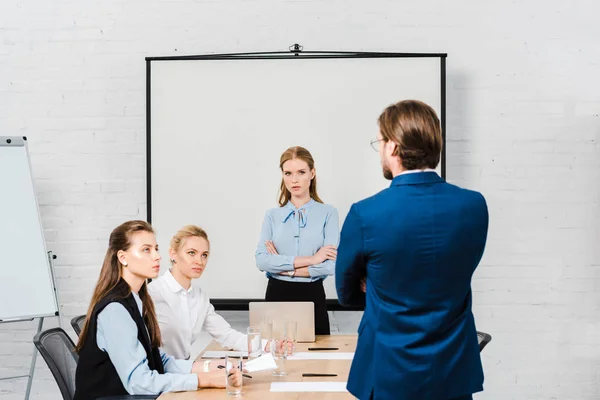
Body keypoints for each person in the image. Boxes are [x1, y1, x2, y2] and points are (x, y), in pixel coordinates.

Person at [335, 100, 489, 400]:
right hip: (453, 372)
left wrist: (376, 284)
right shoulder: (474, 206)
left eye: (378, 142)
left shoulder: (366, 214)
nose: (379, 150)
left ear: (393, 147)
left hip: (388, 372)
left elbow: (347, 293)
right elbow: (458, 270)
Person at [74, 220, 241, 400]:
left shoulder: (136, 299)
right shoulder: (116, 309)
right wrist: (201, 380)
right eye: (146, 250)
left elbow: (158, 360)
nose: (157, 256)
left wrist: (207, 368)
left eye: (156, 249)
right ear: (123, 257)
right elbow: (139, 382)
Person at [148, 225, 269, 360]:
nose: (200, 261)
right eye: (191, 253)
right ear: (173, 254)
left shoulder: (199, 297)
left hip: (184, 372)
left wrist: (268, 345)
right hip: (159, 374)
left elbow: (226, 334)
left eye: (204, 255)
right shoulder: (152, 294)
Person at [255, 146, 339, 335]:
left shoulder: (328, 213)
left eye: (301, 172)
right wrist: (312, 259)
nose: (294, 180)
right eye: (288, 173)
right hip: (277, 294)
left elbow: (331, 265)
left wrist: (284, 268)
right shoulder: (272, 216)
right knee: (275, 358)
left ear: (312, 173)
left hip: (312, 294)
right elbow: (261, 260)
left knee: (317, 360)